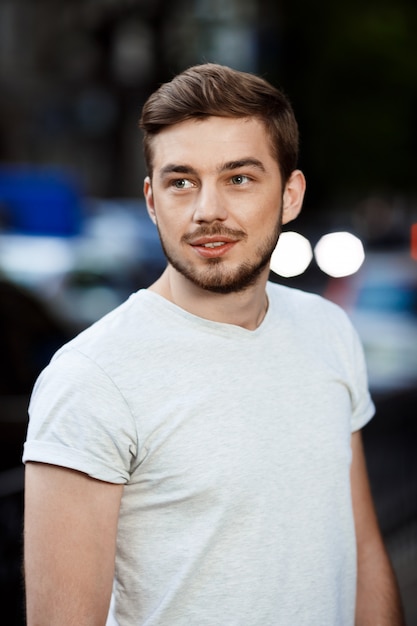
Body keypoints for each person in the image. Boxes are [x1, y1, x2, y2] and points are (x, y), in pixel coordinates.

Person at [23, 63, 404, 626]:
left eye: (239, 178)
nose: (207, 210)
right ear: (152, 200)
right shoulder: (91, 378)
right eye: (182, 181)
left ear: (291, 194)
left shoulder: (329, 330)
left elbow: (364, 553)